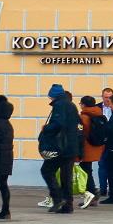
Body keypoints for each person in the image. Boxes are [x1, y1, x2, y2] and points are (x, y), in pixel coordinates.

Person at [37, 84, 84, 214]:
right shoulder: (71, 105)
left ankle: (57, 198)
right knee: (66, 176)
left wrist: (45, 128)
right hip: (71, 147)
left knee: (46, 170)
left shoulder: (59, 105)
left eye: (50, 96)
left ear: (54, 95)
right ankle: (68, 206)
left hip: (60, 147)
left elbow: (58, 123)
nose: (50, 99)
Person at [77, 95, 107, 209]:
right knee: (87, 169)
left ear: (83, 104)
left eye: (81, 103)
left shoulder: (84, 117)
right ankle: (93, 194)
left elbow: (80, 133)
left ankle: (92, 193)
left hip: (86, 148)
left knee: (85, 171)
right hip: (96, 147)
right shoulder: (99, 114)